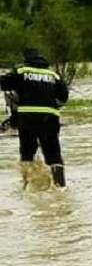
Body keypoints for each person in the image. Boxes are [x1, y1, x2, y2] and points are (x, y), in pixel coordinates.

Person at [0, 49, 69, 188]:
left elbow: (3, 84)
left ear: (26, 60)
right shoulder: (53, 75)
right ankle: (60, 186)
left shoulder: (21, 71)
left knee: (27, 152)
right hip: (50, 118)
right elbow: (63, 97)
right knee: (54, 154)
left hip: (27, 118)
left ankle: (27, 186)